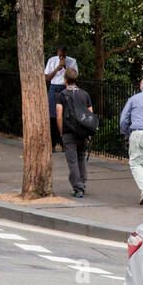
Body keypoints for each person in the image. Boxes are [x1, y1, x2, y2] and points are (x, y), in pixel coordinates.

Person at [55, 68, 94, 197]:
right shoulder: (85, 94)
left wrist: (61, 132)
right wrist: (89, 132)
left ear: (65, 80)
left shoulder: (62, 95)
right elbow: (90, 114)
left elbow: (59, 115)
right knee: (81, 158)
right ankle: (82, 183)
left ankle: (78, 187)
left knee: (72, 161)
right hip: (83, 131)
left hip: (68, 131)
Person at [44, 46, 78, 152]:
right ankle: (53, 144)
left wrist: (65, 67)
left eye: (63, 55)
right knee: (52, 117)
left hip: (65, 88)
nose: (61, 58)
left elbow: (74, 77)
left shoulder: (72, 61)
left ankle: (64, 143)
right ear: (57, 53)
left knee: (65, 116)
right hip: (54, 88)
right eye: (60, 55)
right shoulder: (51, 60)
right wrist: (57, 69)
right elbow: (47, 78)